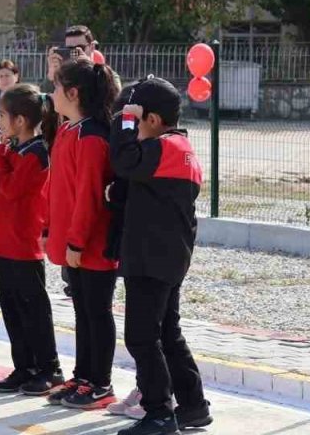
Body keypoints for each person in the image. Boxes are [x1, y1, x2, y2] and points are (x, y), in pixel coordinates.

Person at [110, 77, 211, 435]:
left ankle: (158, 412)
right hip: (168, 256)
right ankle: (194, 405)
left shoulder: (164, 146)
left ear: (151, 119)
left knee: (140, 336)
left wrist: (123, 121)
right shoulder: (180, 148)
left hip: (151, 259)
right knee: (168, 333)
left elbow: (123, 160)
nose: (129, 127)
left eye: (134, 120)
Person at [0, 83, 61, 396]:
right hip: (4, 241)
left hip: (23, 244)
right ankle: (24, 366)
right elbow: (6, 196)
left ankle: (49, 368)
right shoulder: (17, 150)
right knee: (11, 308)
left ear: (20, 121)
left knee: (33, 309)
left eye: (3, 115)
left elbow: (13, 189)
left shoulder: (36, 153)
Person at [43, 58, 120, 410]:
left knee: (96, 312)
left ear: (72, 93)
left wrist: (76, 241)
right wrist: (48, 228)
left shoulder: (91, 138)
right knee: (82, 312)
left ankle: (100, 383)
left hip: (92, 245)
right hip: (74, 243)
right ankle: (84, 376)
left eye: (56, 87)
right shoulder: (68, 129)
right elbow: (58, 188)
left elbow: (89, 197)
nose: (51, 93)